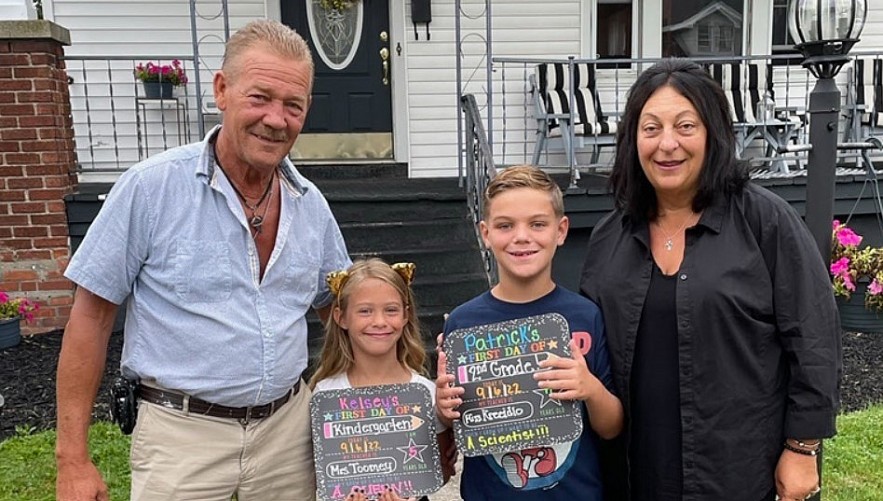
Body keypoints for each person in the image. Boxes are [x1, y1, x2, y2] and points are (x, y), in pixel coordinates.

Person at [55, 19, 352, 500]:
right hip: (180, 438)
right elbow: (91, 316)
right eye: (260, 98)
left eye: (292, 106)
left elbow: (338, 310)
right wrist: (73, 459)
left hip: (287, 434)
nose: (276, 119)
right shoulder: (150, 188)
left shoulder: (310, 203)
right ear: (222, 90)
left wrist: (399, 402)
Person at [579, 59, 840, 501]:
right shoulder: (610, 237)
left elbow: (814, 336)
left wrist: (802, 447)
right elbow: (590, 351)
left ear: (712, 133)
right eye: (651, 128)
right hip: (633, 472)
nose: (667, 145)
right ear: (631, 139)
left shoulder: (764, 221)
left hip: (739, 472)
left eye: (685, 126)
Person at [435, 165, 624, 500]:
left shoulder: (585, 315)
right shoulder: (463, 324)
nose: (521, 237)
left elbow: (612, 426)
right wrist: (443, 409)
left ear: (561, 230)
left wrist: (590, 388)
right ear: (486, 233)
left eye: (537, 224)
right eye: (505, 226)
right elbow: (454, 426)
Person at [310, 258, 454, 501]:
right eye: (365, 311)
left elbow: (441, 471)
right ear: (341, 317)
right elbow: (321, 474)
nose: (379, 322)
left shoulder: (426, 393)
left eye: (391, 310)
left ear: (406, 315)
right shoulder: (324, 395)